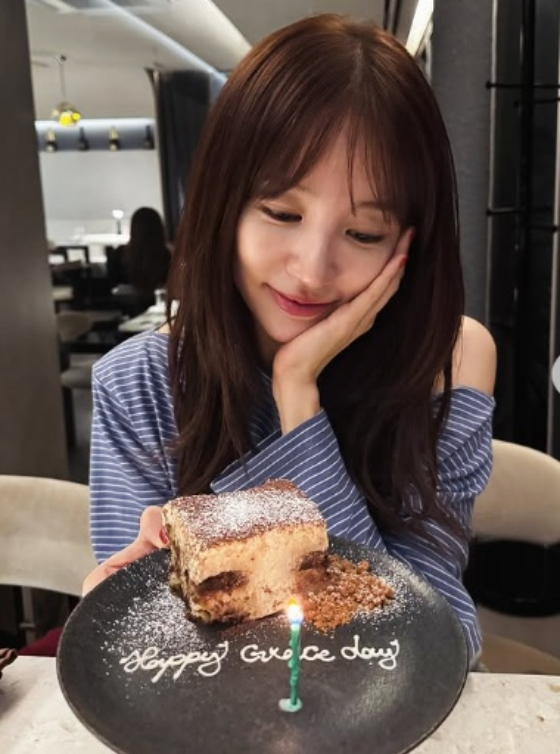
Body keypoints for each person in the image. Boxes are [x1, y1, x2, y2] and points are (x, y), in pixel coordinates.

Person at [84, 14, 496, 667]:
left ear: (410, 246)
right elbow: (142, 655)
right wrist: (123, 601)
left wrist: (298, 397)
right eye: (281, 212)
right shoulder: (140, 383)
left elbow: (436, 643)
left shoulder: (451, 360)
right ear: (224, 205)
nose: (311, 270)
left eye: (363, 233)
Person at [106, 206, 171, 314]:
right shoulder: (165, 255)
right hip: (158, 309)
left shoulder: (118, 254)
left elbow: (112, 287)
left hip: (125, 311)